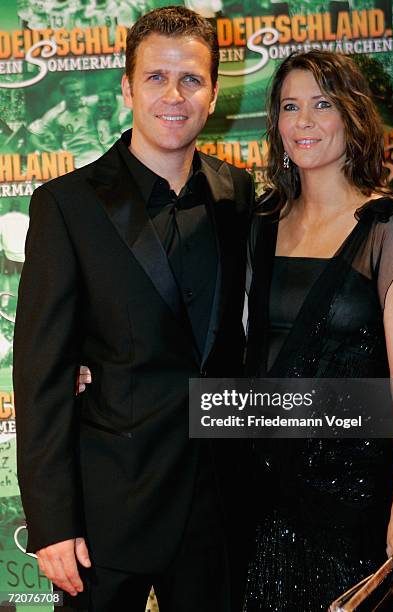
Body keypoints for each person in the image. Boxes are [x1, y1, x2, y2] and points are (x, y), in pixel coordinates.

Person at [13, 6, 253, 612]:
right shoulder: (65, 205)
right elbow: (40, 376)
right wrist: (51, 522)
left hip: (215, 506)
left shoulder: (239, 195)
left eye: (191, 79)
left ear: (213, 93)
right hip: (105, 513)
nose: (174, 95)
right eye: (156, 77)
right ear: (125, 87)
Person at [243, 50, 393, 610]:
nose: (303, 122)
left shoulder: (387, 228)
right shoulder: (258, 224)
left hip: (351, 495)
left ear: (351, 115)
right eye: (289, 107)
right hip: (259, 488)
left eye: (321, 104)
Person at [28, 77, 104, 168]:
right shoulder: (54, 114)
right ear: (63, 94)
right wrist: (44, 150)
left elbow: (118, 98)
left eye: (78, 91)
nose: (76, 95)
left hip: (98, 156)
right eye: (72, 92)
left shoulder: (90, 103)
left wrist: (115, 118)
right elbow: (32, 134)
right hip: (75, 163)